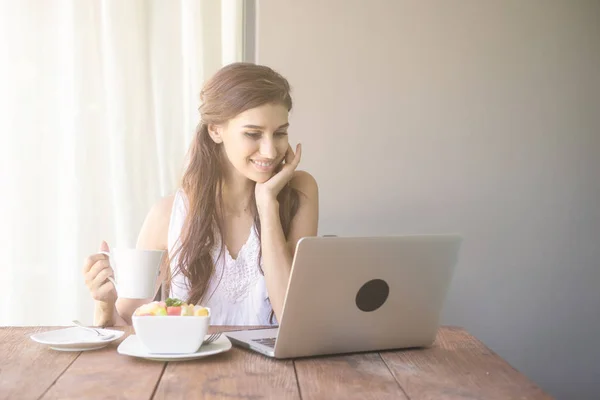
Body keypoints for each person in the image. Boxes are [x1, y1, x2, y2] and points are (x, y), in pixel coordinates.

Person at [82, 63, 319, 326]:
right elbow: (126, 323)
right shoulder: (168, 216)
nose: (270, 151)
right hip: (191, 367)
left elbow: (292, 318)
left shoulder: (300, 192)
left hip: (276, 367)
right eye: (253, 134)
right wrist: (104, 305)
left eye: (280, 134)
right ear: (215, 130)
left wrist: (267, 204)